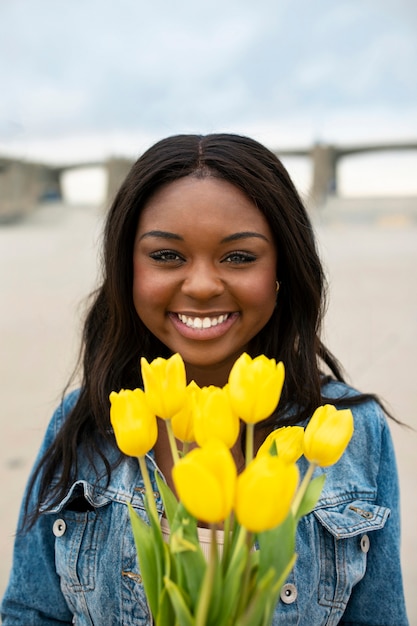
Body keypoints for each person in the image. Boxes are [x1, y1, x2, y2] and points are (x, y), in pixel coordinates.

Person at [1, 133, 409, 625]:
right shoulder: (86, 421)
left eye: (238, 257)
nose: (200, 285)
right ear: (127, 269)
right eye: (166, 256)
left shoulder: (352, 430)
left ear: (282, 269)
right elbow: (30, 614)